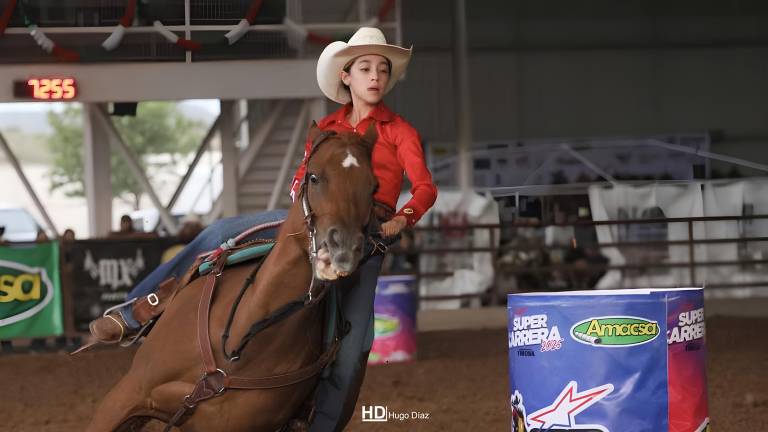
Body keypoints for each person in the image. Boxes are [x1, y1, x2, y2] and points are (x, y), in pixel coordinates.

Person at [88, 27, 437, 431]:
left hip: (366, 233)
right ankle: (138, 308)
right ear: (347, 76)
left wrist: (401, 218)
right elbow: (300, 178)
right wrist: (298, 210)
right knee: (220, 232)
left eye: (381, 69)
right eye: (365, 68)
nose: (375, 76)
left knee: (356, 346)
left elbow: (425, 186)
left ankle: (319, 423)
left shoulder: (399, 131)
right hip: (309, 218)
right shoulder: (325, 128)